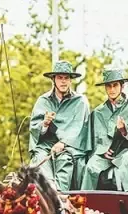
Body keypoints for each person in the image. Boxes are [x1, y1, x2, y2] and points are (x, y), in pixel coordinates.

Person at [29, 60, 91, 191]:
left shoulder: (80, 101)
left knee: (64, 160)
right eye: (60, 77)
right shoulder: (43, 101)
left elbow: (81, 129)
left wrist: (63, 143)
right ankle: (48, 192)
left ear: (71, 80)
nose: (63, 81)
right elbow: (34, 128)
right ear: (53, 79)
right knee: (39, 157)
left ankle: (61, 195)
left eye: (66, 78)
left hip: (71, 147)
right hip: (46, 145)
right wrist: (45, 124)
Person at [81, 67, 128, 191]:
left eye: (115, 85)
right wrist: (102, 152)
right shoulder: (97, 112)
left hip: (125, 151)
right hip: (104, 155)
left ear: (122, 86)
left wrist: (124, 130)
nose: (112, 89)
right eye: (108, 86)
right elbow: (93, 140)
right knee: (90, 167)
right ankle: (87, 200)